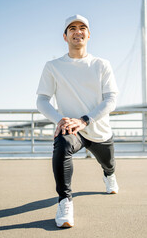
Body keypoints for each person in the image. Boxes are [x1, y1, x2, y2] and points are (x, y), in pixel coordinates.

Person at [36, 14, 119, 228]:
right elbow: (42, 100)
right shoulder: (53, 66)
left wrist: (85, 120)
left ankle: (109, 176)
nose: (77, 31)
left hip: (98, 128)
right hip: (72, 129)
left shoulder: (102, 64)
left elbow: (111, 99)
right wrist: (60, 120)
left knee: (108, 164)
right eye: (72, 28)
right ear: (65, 36)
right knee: (62, 144)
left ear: (88, 35)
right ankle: (65, 202)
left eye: (82, 28)